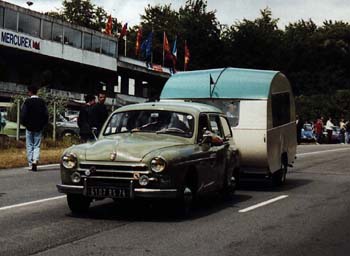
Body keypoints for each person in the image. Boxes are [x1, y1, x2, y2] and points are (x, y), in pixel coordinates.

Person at [20, 86, 48, 171]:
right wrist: (43, 124)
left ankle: (30, 162)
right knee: (37, 145)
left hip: (29, 126)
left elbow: (23, 115)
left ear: (30, 92)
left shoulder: (27, 102)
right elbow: (46, 115)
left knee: (29, 145)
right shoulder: (42, 102)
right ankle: (35, 160)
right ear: (37, 92)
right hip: (39, 127)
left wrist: (25, 124)